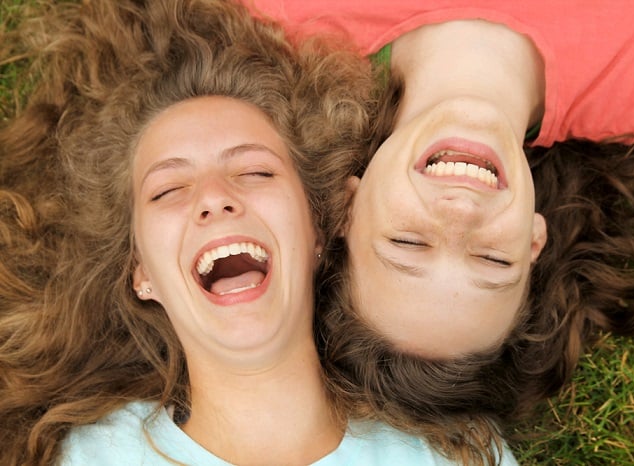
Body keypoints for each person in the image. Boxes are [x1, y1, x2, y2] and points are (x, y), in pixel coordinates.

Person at [0, 0, 496, 464]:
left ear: (318, 230)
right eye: (167, 189)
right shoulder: (90, 457)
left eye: (256, 172)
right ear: (142, 273)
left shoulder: (451, 453)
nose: (214, 197)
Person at [243, 0, 634, 460]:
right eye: (492, 259)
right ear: (534, 240)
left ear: (346, 206)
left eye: (408, 242)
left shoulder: (288, 17)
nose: (462, 212)